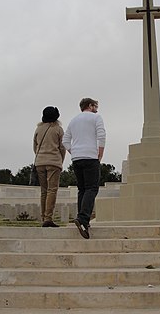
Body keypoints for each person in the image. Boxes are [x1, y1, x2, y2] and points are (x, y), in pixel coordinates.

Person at [62, 97, 106, 239]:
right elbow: (102, 135)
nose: (96, 109)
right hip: (90, 156)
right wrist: (100, 153)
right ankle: (83, 218)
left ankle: (82, 220)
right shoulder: (96, 118)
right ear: (90, 106)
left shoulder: (73, 120)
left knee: (82, 189)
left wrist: (73, 151)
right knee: (92, 188)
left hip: (77, 158)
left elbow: (65, 140)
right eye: (95, 106)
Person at [33, 106, 66, 228]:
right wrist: (60, 160)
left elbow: (35, 146)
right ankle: (48, 218)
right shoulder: (58, 129)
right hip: (53, 162)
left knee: (44, 191)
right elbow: (62, 147)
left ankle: (43, 217)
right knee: (52, 190)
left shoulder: (38, 129)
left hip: (40, 162)